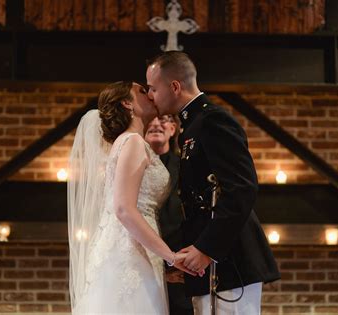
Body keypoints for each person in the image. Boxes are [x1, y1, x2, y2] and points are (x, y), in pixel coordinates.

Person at [146, 52, 281, 314]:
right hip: (208, 264)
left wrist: (207, 249)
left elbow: (242, 188)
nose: (151, 95)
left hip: (230, 263)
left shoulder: (212, 121)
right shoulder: (192, 125)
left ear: (174, 86)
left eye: (153, 88)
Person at [67, 81, 202, 314]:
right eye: (142, 91)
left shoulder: (130, 142)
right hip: (128, 253)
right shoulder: (132, 142)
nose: (150, 94)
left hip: (137, 247)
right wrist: (170, 256)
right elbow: (124, 209)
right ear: (127, 104)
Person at [145, 115, 194, 315]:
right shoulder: (131, 166)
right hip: (145, 259)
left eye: (164, 120)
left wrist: (173, 262)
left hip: (179, 263)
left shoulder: (185, 166)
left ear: (173, 129)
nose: (156, 124)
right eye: (151, 120)